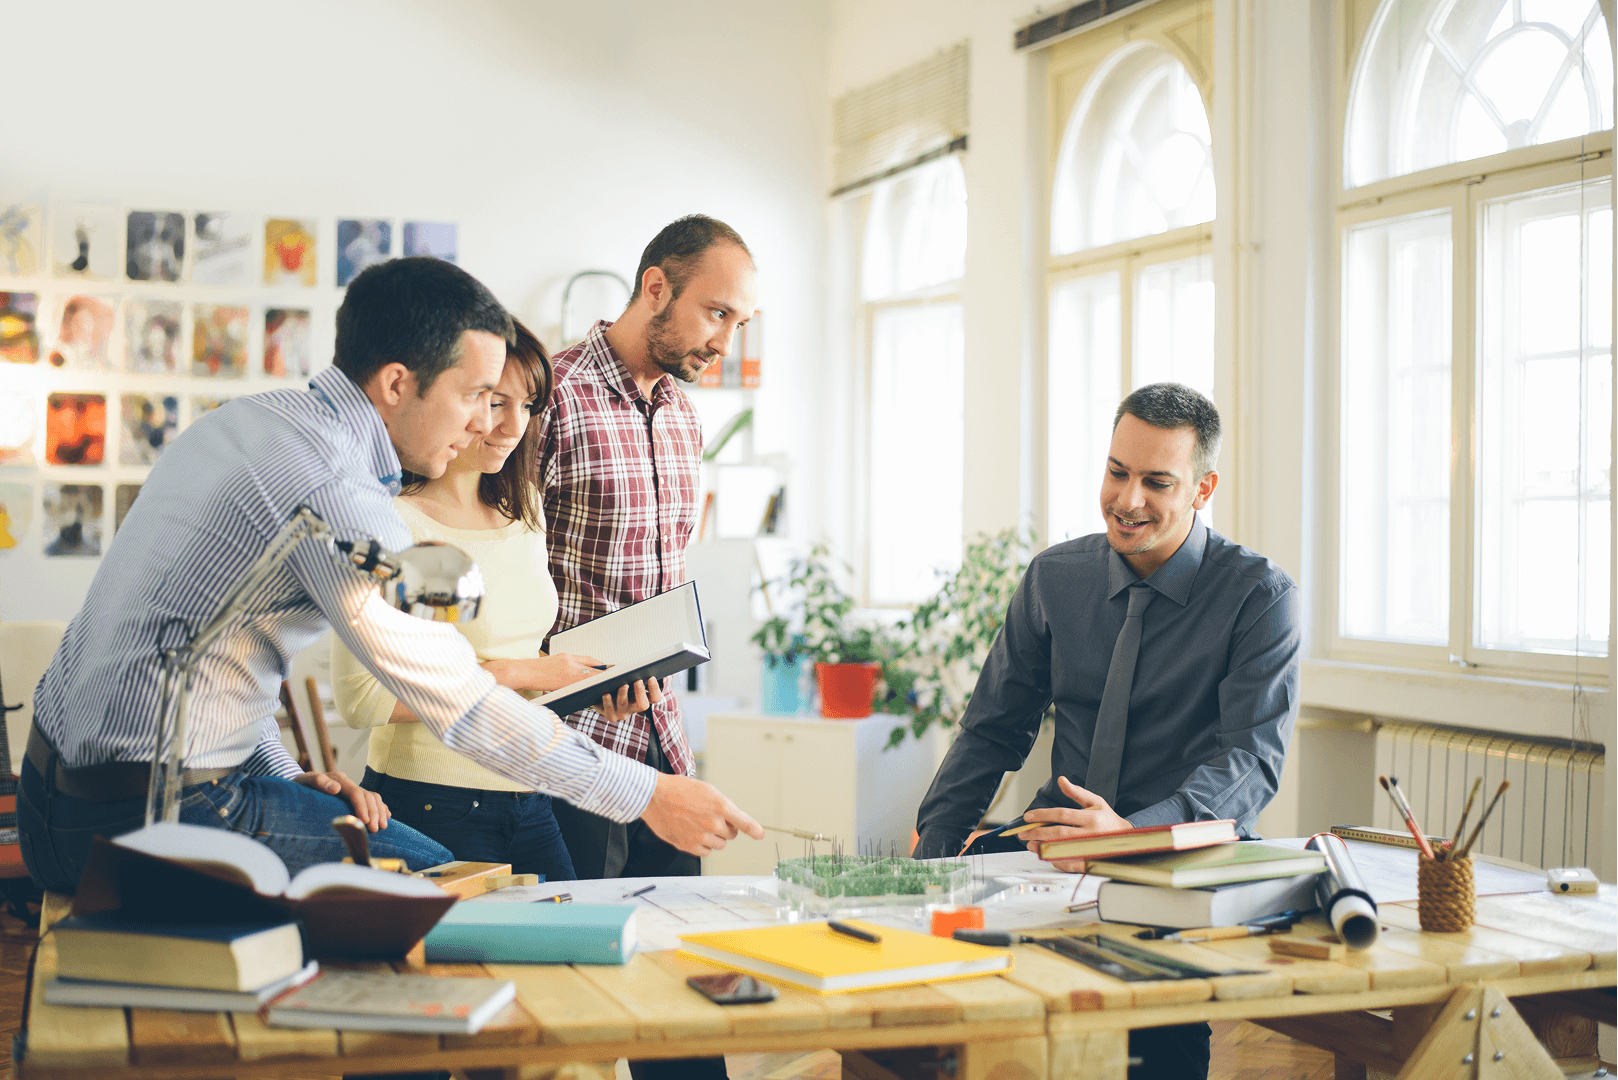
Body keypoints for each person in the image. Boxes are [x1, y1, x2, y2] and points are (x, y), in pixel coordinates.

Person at [20, 255, 762, 895]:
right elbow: (458, 704)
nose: (486, 425)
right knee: (455, 888)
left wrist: (279, 772)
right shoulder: (342, 497)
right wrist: (648, 793)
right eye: (475, 395)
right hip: (149, 818)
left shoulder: (245, 424)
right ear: (398, 383)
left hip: (49, 798)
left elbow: (211, 651)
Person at [912, 382, 1301, 1080]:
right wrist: (933, 853)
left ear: (1203, 488)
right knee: (944, 1022)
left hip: (1182, 857)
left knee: (1157, 1052)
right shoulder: (1055, 579)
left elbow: (1248, 762)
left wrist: (1133, 832)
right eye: (1117, 472)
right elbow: (993, 727)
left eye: (1157, 481)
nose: (1128, 500)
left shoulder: (1259, 598)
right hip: (1061, 844)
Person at [330, 319, 663, 883]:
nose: (512, 426)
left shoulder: (525, 510)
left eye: (529, 405)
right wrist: (527, 671)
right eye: (495, 402)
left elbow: (523, 666)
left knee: (564, 960)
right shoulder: (391, 521)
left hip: (528, 791)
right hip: (430, 801)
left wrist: (583, 688)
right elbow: (361, 701)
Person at [537, 214, 757, 884]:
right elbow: (504, 579)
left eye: (738, 324)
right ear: (655, 287)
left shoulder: (683, 414)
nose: (724, 342)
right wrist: (570, 677)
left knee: (676, 948)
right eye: (715, 313)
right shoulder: (552, 398)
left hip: (664, 738)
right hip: (576, 751)